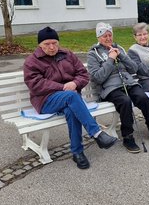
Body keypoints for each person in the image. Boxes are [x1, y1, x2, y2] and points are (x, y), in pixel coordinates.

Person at [23, 26, 118, 169]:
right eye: (47, 44)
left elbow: (83, 74)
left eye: (54, 43)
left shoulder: (67, 55)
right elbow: (36, 84)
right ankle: (97, 133)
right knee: (71, 96)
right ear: (40, 45)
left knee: (71, 110)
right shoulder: (32, 61)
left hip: (71, 99)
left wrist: (75, 83)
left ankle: (77, 153)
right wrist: (62, 87)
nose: (51, 47)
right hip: (46, 101)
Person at [87, 22, 149, 154]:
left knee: (142, 97)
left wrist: (121, 55)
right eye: (104, 36)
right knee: (125, 101)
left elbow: (134, 68)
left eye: (110, 35)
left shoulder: (119, 48)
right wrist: (110, 59)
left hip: (128, 83)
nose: (108, 38)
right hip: (110, 88)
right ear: (98, 38)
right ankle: (128, 136)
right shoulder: (93, 54)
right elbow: (98, 77)